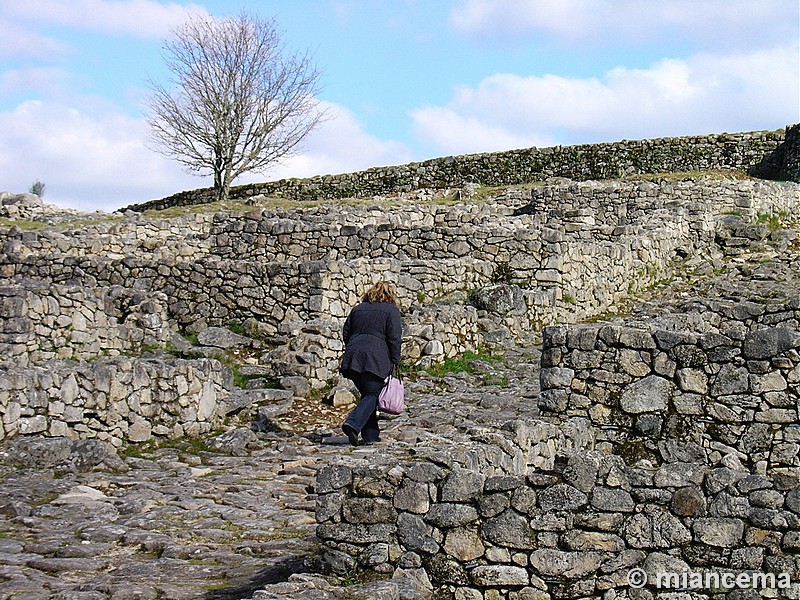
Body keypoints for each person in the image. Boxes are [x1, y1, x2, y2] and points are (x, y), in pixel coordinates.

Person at [339, 281, 402, 446]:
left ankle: (371, 436)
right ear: (390, 295)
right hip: (376, 358)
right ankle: (352, 424)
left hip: (353, 357)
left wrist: (354, 347)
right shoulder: (391, 311)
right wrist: (394, 361)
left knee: (368, 395)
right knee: (372, 394)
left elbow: (346, 332)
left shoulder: (358, 309)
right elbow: (394, 338)